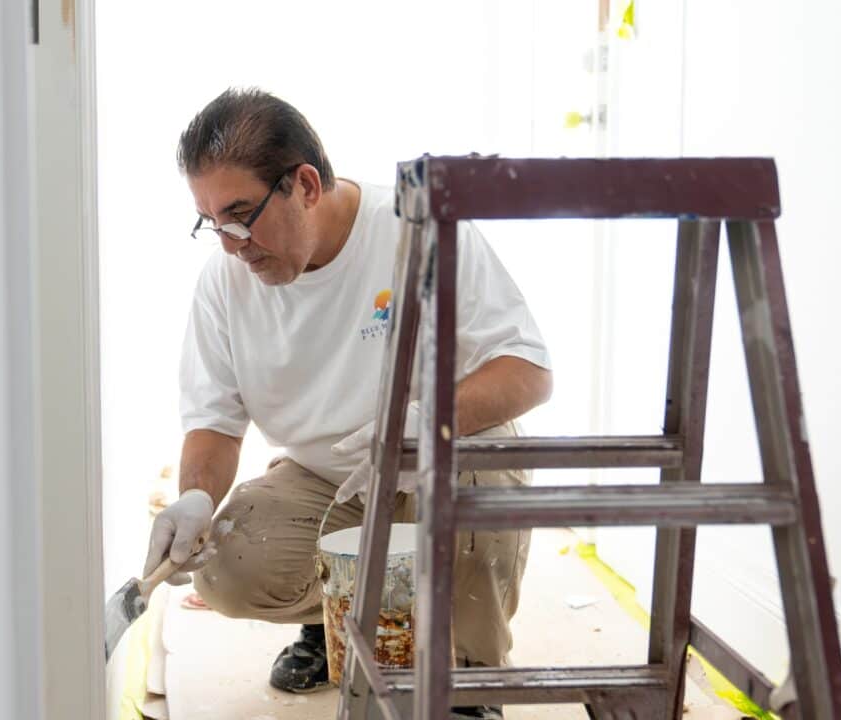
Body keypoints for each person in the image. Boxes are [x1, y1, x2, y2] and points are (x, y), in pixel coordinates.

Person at [144, 88, 553, 720]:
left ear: (304, 184)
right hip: (329, 480)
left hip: (444, 457)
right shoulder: (224, 284)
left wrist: (422, 423)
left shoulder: (416, 231)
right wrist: (195, 497)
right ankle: (333, 620)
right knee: (228, 562)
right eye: (213, 222)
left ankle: (467, 682)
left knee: (480, 485)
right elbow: (215, 422)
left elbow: (526, 369)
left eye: (241, 215)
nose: (231, 244)